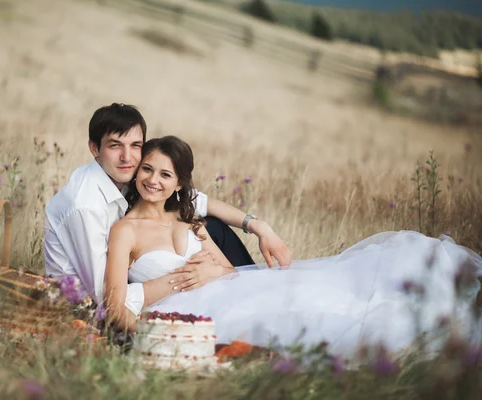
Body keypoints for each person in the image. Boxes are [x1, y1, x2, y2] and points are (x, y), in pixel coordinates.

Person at [104, 135, 482, 357]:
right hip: (191, 313)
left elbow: (232, 273)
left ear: (179, 184)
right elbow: (113, 305)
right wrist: (156, 334)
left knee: (325, 300)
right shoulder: (126, 230)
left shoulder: (188, 218)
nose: (153, 180)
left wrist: (210, 271)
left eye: (165, 174)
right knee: (305, 325)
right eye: (147, 169)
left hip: (233, 290)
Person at [44, 103, 292, 317]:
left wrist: (259, 228)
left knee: (209, 226)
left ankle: (259, 298)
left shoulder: (130, 178)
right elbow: (105, 298)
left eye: (135, 145)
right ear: (94, 148)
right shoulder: (85, 207)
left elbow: (198, 201)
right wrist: (184, 277)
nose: (127, 156)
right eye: (115, 146)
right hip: (82, 303)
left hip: (142, 277)